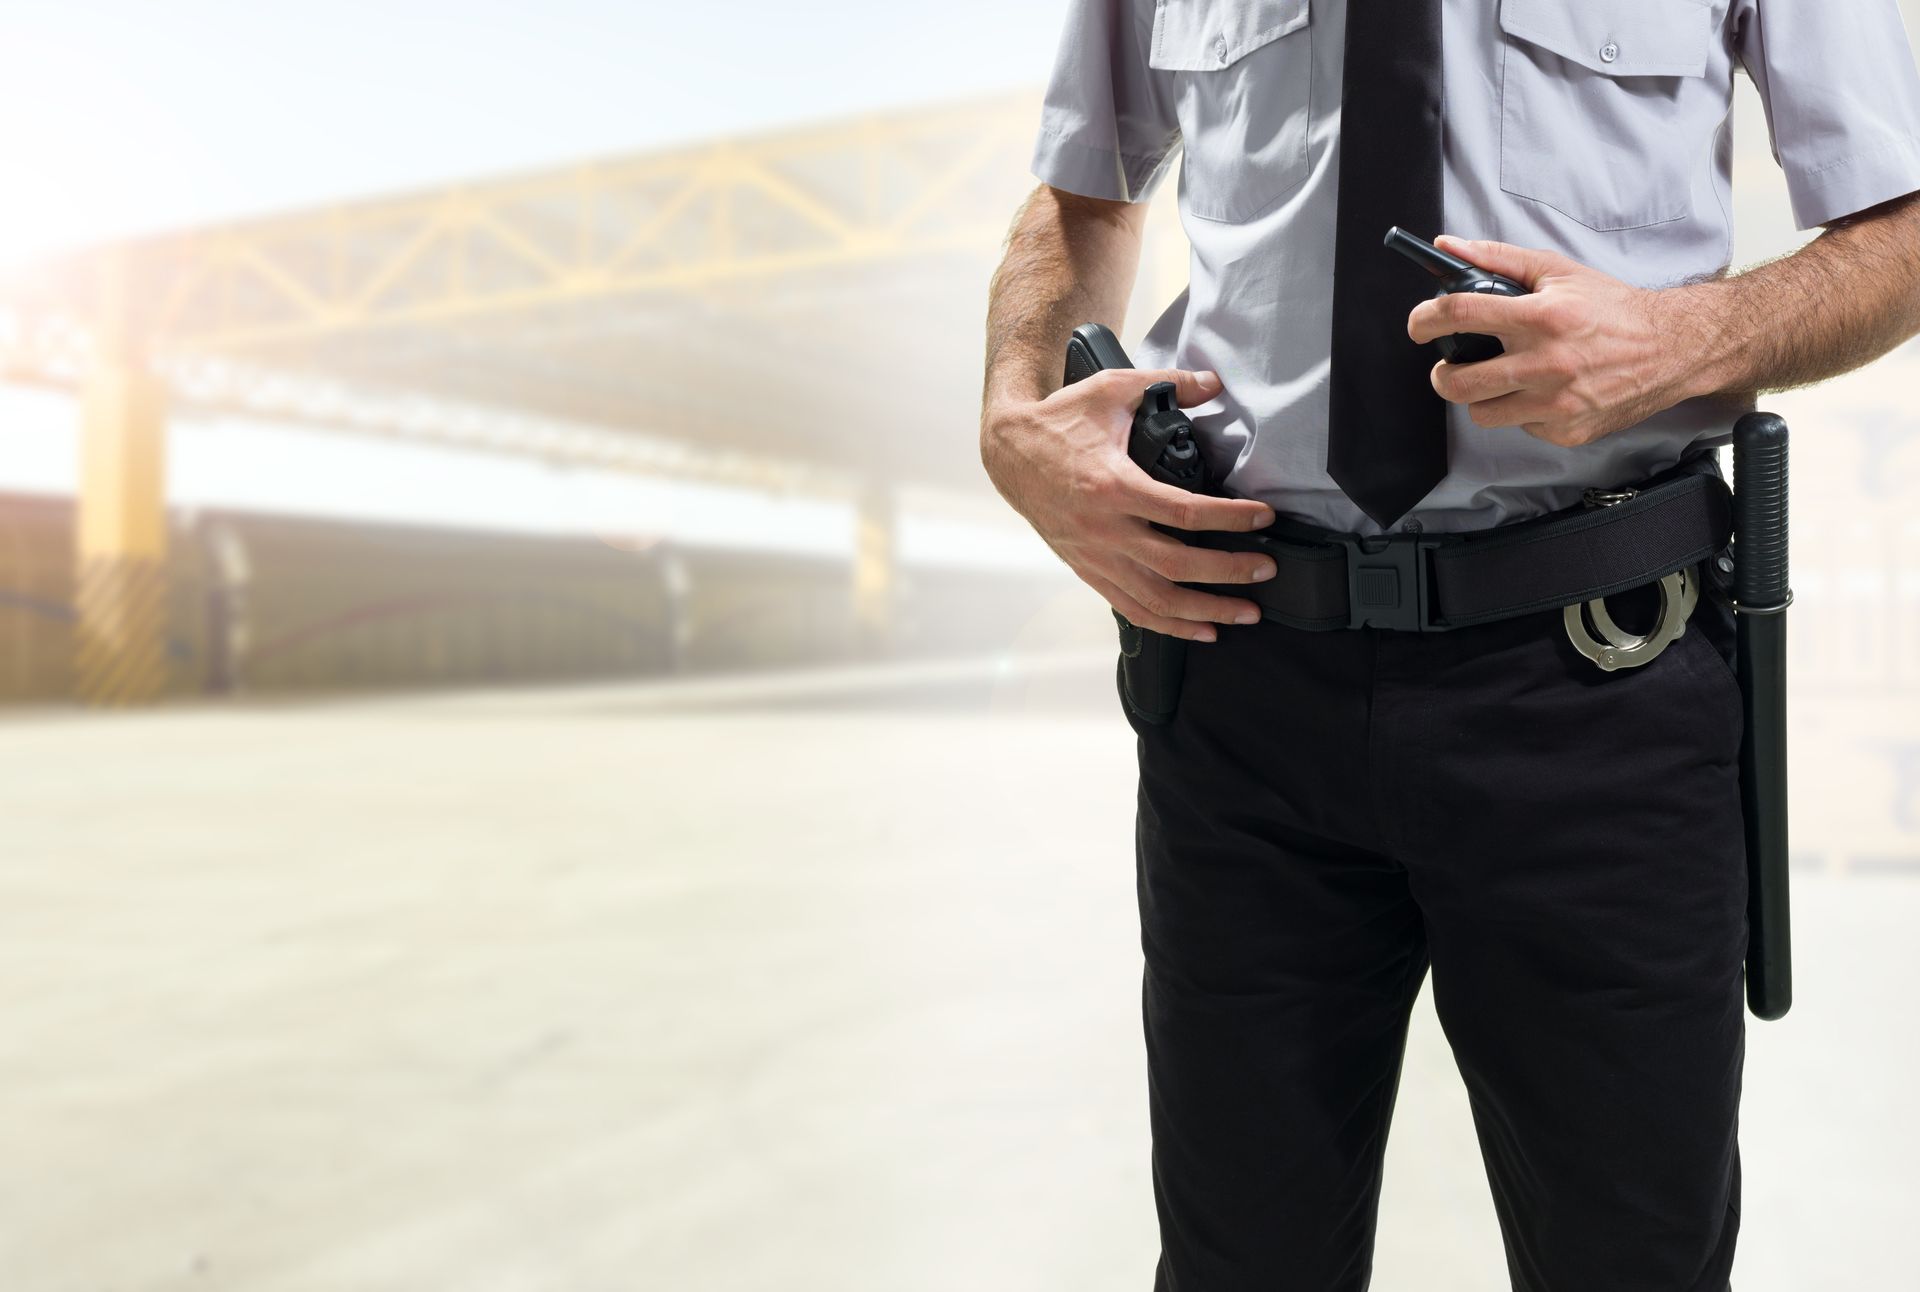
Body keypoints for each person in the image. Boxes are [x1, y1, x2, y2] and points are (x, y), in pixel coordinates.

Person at [977, 2, 1920, 1289]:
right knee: (1236, 1260)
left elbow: (1903, 225)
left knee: (1631, 1258)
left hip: (1596, 694)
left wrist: (1682, 336)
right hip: (1244, 685)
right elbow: (1083, 197)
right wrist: (1014, 415)